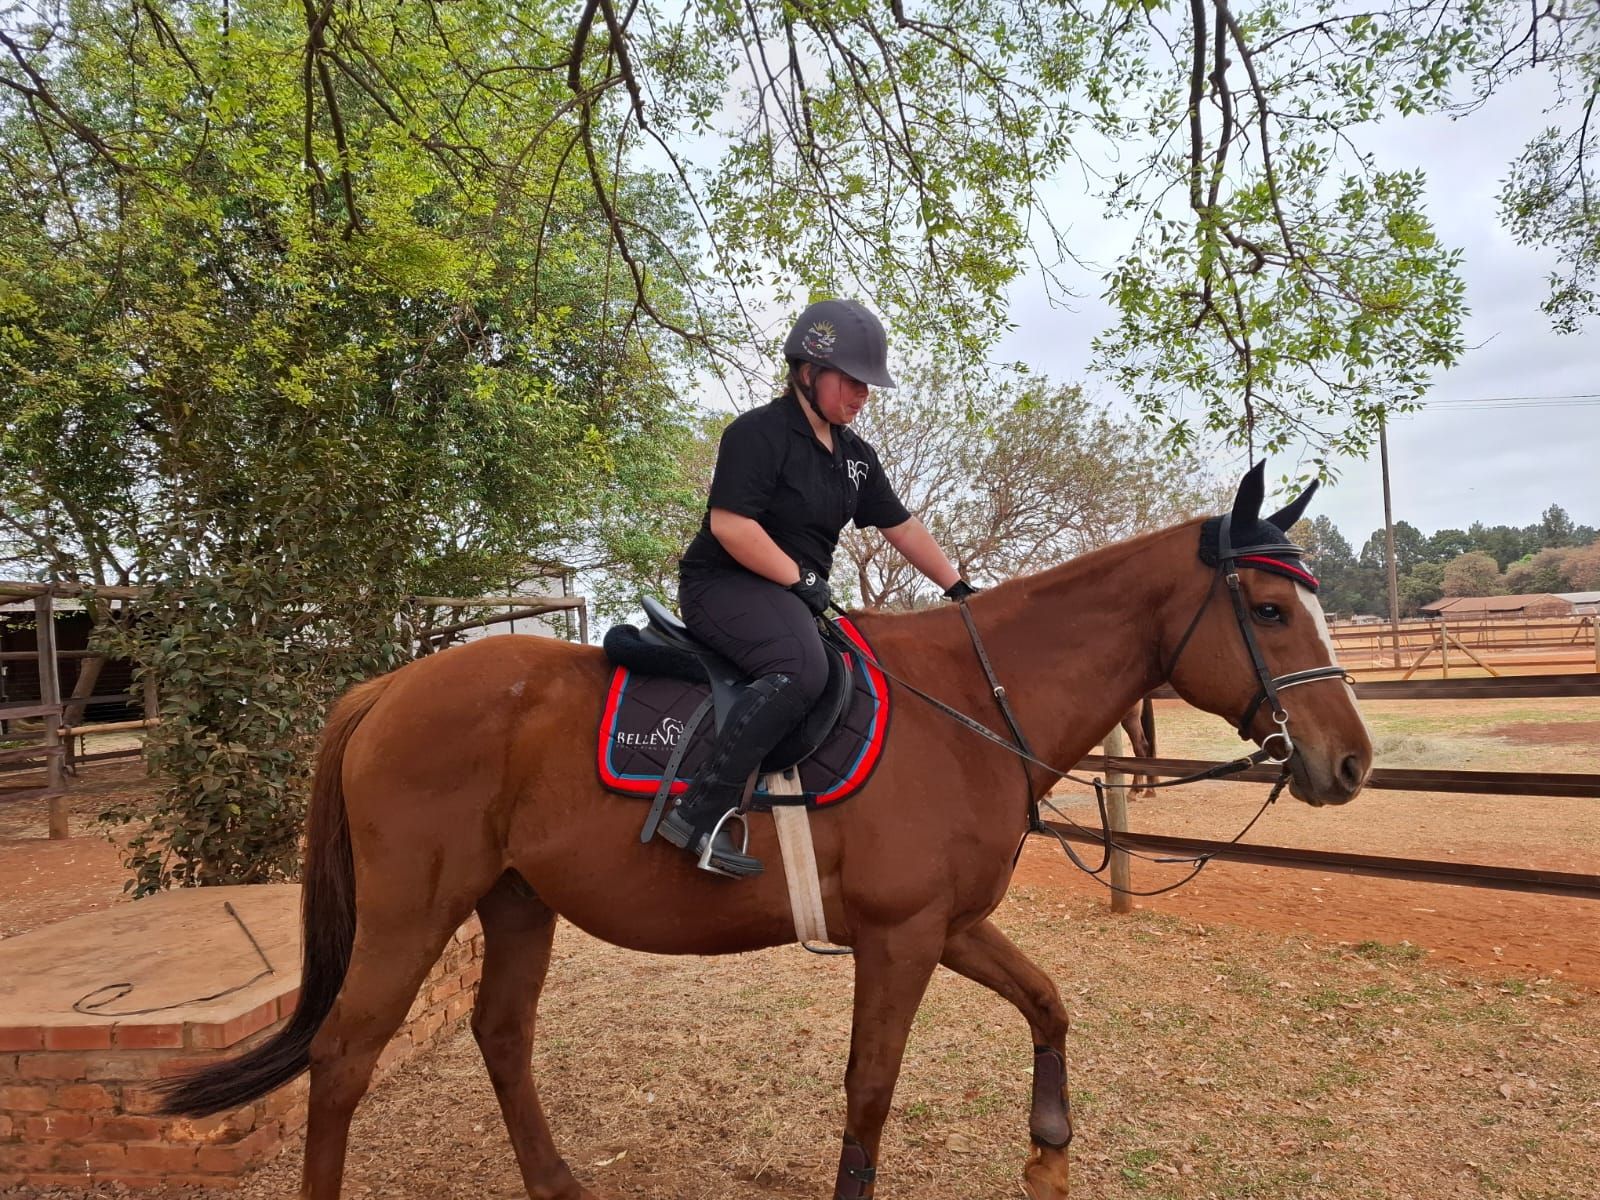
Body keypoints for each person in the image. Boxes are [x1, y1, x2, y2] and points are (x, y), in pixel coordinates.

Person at [658, 299, 977, 877]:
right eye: (853, 382)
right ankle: (700, 812)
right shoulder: (758, 433)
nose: (862, 396)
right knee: (802, 669)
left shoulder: (856, 458)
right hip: (725, 584)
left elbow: (900, 525)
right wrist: (800, 578)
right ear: (808, 370)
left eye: (868, 385)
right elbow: (732, 526)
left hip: (789, 594)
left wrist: (960, 588)